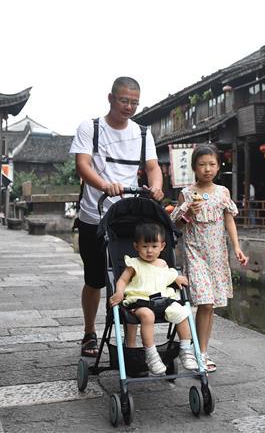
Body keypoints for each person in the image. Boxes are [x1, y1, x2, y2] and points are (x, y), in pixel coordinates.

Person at [70, 77, 164, 358]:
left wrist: (156, 186)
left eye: (134, 102)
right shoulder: (91, 128)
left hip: (127, 216)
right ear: (111, 98)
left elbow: (152, 166)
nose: (129, 106)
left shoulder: (143, 132)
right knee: (95, 278)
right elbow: (82, 164)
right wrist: (103, 185)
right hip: (94, 213)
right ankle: (89, 332)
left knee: (132, 276)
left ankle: (130, 340)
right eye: (124, 100)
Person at [170, 144, 248, 372]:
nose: (207, 169)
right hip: (195, 253)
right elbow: (176, 225)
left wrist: (237, 247)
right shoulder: (186, 193)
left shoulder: (223, 192)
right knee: (204, 301)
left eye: (212, 164)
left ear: (218, 166)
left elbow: (229, 220)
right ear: (194, 167)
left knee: (209, 305)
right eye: (202, 164)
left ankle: (201, 351)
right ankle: (197, 351)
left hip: (217, 254)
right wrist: (188, 213)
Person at [108, 222, 199, 375]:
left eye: (154, 246)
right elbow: (122, 280)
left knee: (182, 313)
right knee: (147, 315)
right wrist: (118, 292)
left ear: (162, 246)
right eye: (145, 247)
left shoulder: (163, 264)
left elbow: (169, 275)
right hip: (140, 301)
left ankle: (185, 349)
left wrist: (177, 278)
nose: (149, 251)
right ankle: (151, 354)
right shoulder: (134, 264)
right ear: (136, 246)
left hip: (163, 301)